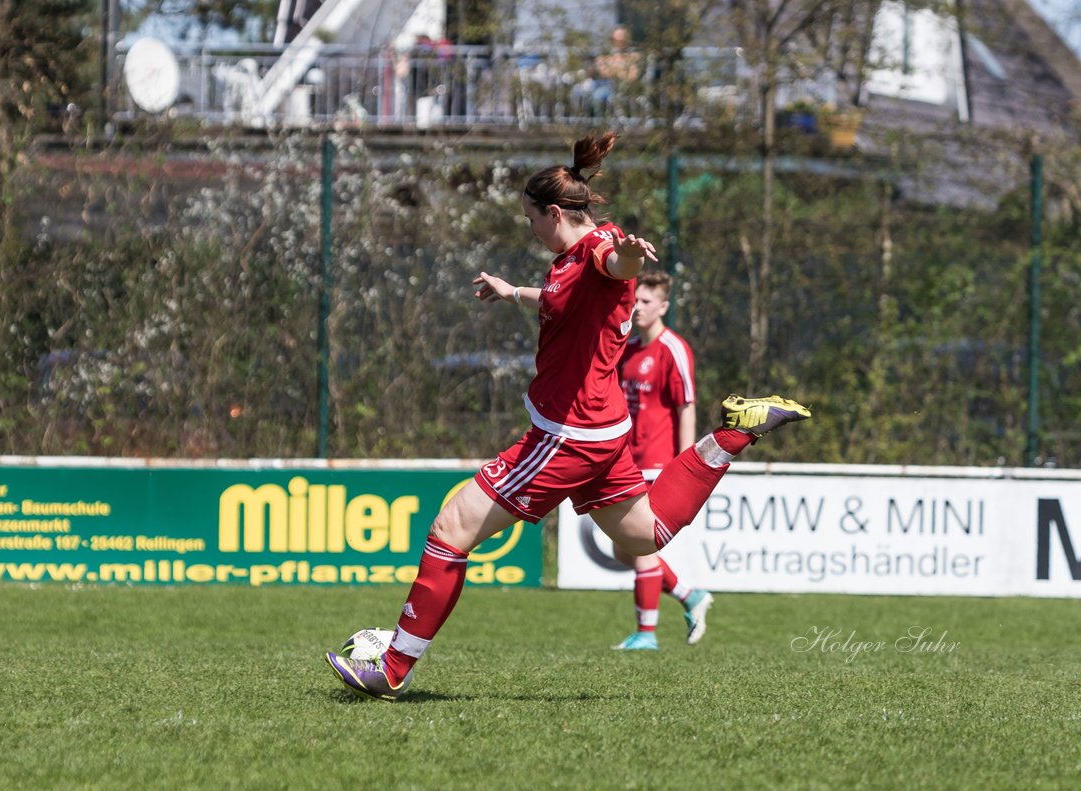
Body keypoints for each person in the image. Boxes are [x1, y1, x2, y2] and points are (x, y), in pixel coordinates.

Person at [326, 132, 810, 701]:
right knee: (644, 536)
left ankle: (393, 669)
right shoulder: (569, 262)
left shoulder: (601, 251)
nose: (528, 228)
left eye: (531, 218)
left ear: (554, 212)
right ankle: (735, 432)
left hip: (566, 434)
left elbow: (616, 263)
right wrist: (511, 293)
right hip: (601, 430)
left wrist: (632, 253)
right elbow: (563, 294)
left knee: (450, 530)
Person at [612, 270, 712, 651]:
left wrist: (687, 464)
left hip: (657, 464)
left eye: (647, 302)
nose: (637, 308)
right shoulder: (631, 350)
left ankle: (647, 634)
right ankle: (689, 596)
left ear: (664, 307)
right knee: (622, 549)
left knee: (637, 546)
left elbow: (687, 406)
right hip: (626, 461)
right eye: (635, 300)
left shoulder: (674, 349)